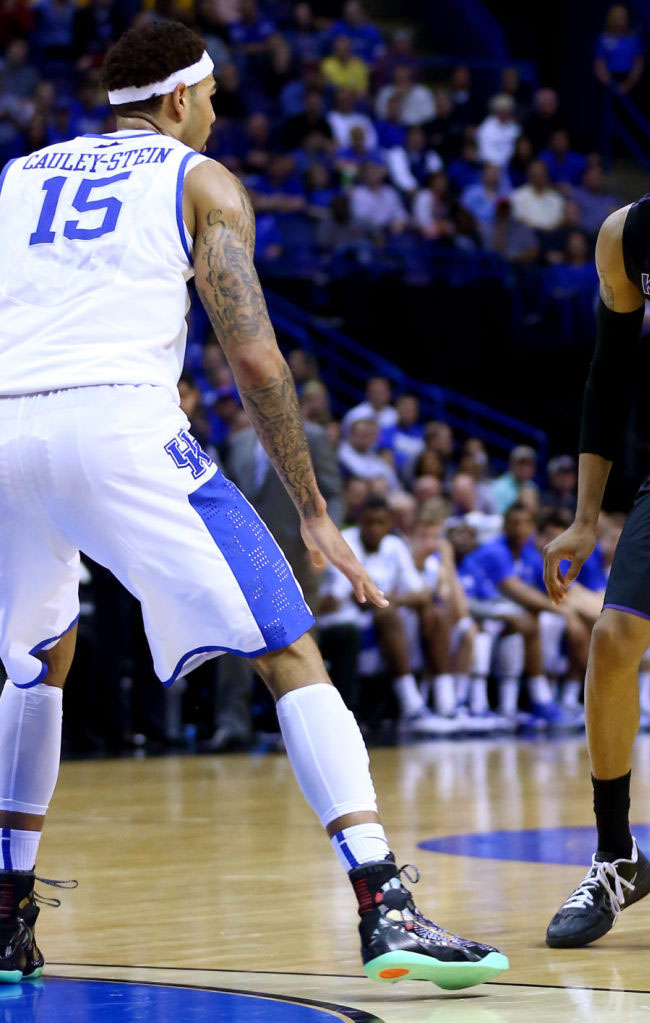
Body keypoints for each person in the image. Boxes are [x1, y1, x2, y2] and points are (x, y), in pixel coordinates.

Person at [0, 20, 507, 990]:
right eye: (215, 95)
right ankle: (382, 902)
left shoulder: (19, 177)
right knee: (288, 645)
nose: (222, 112)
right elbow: (255, 358)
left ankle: (2, 914)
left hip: (4, 430)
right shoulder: (200, 181)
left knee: (35, 663)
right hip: (116, 426)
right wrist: (313, 511)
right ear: (182, 98)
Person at [542, 186, 650, 950]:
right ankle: (617, 857)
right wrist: (586, 515)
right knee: (613, 640)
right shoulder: (627, 235)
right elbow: (608, 379)